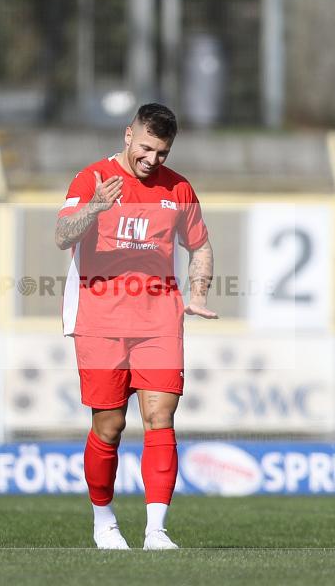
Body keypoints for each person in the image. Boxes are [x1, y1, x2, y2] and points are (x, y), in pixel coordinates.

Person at [54, 103, 217, 549]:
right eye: (146, 147)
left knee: (160, 418)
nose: (152, 159)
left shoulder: (179, 188)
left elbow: (200, 247)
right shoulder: (91, 179)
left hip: (159, 320)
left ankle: (156, 530)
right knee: (109, 426)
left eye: (162, 152)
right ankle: (103, 522)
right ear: (129, 136)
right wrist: (94, 208)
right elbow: (63, 234)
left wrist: (197, 293)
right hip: (100, 321)